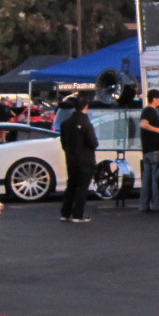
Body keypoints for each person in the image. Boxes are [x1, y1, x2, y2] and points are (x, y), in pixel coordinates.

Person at [58, 95, 99, 223]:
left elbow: (63, 142)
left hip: (71, 158)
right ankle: (78, 214)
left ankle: (65, 212)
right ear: (86, 107)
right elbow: (93, 143)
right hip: (85, 159)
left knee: (71, 185)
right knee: (82, 187)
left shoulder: (65, 123)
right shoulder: (86, 123)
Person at [139, 90, 159, 213]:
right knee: (155, 178)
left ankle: (143, 204)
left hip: (147, 149)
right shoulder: (149, 111)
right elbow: (143, 124)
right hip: (154, 149)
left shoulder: (147, 111)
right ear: (154, 99)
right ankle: (156, 204)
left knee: (146, 179)